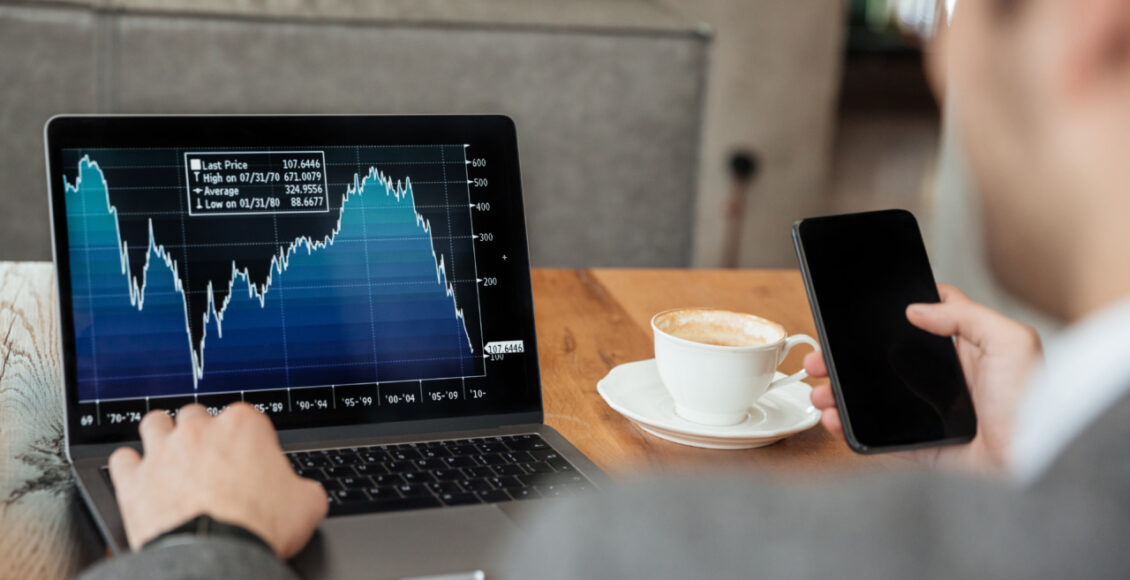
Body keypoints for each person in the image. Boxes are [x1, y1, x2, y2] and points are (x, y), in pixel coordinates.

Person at [81, 0, 1130, 577]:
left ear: (1085, 24)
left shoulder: (635, 554)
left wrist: (203, 543)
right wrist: (1016, 478)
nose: (940, 61)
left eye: (944, 16)